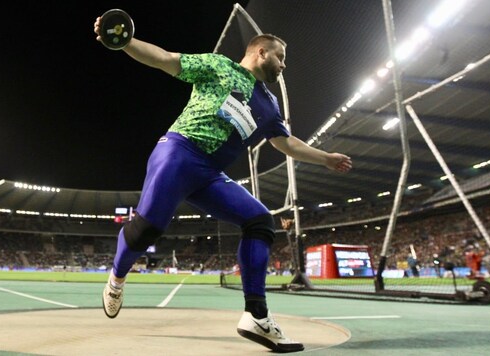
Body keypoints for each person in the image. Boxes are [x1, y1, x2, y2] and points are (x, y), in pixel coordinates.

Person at [94, 14, 352, 353]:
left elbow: (286, 143)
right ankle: (116, 278)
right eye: (281, 57)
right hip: (180, 152)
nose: (284, 66)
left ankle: (256, 316)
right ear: (261, 52)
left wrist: (325, 157)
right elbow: (165, 59)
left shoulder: (270, 105)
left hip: (210, 174)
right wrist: (125, 42)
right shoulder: (219, 66)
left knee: (260, 221)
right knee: (146, 231)